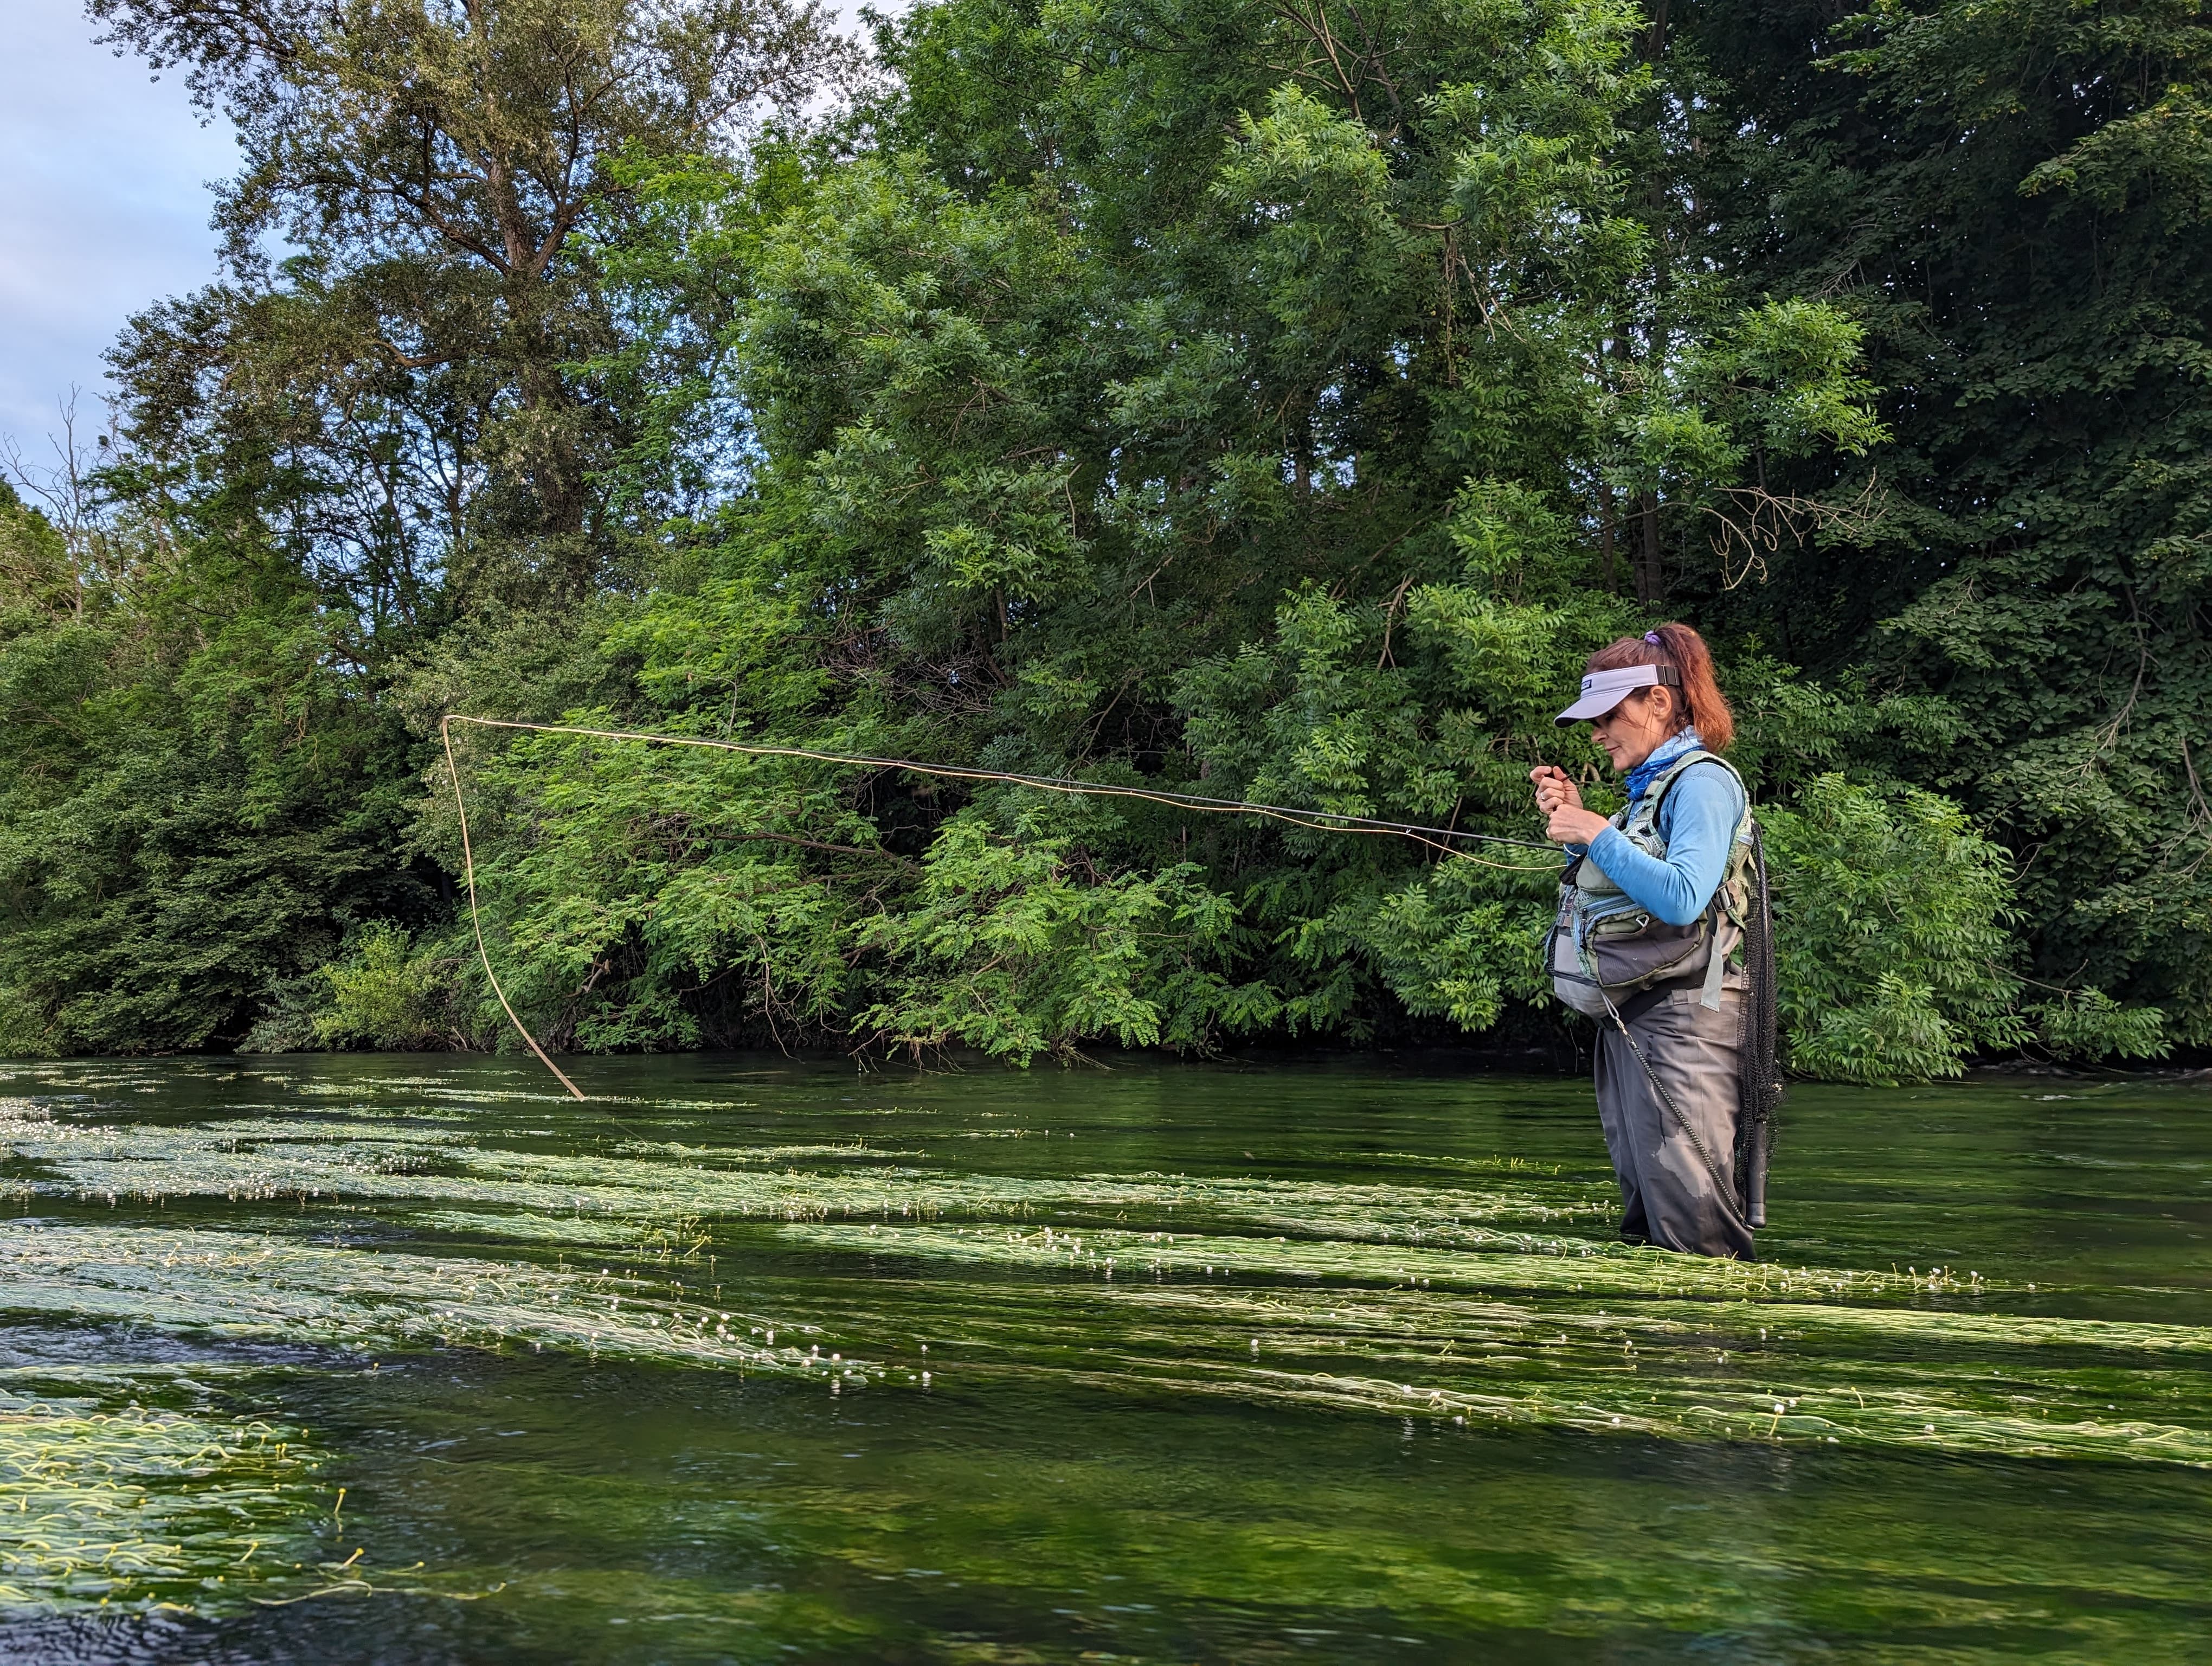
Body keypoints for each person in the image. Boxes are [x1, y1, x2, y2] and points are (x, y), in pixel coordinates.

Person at [1530, 624, 1764, 1259]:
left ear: (1658, 703)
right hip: (1635, 1021)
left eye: (1608, 716)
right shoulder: (1650, 791)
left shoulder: (1704, 783)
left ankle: (1712, 1347)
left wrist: (1597, 833)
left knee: (1694, 1232)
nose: (1597, 733)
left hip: (1687, 1027)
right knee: (1645, 1221)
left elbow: (1684, 896)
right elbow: (1637, 880)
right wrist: (1585, 824)